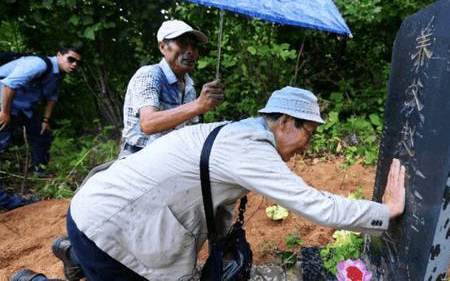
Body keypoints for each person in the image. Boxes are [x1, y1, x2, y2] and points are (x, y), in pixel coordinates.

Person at [13, 86, 406, 281]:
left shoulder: (231, 131)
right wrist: (385, 213)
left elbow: (207, 195)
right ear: (285, 121)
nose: (309, 144)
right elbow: (314, 205)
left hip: (93, 209)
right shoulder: (250, 151)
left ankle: (77, 254)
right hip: (109, 235)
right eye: (310, 133)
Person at [120, 20, 224, 157]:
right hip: (138, 158)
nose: (190, 51)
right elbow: (148, 124)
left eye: (194, 46)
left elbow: (184, 131)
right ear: (163, 47)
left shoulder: (188, 86)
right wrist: (199, 105)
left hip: (169, 159)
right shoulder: (150, 75)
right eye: (182, 43)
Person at [0, 46, 82, 175]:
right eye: (71, 59)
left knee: (42, 133)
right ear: (59, 55)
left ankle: (40, 173)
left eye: (78, 62)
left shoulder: (59, 74)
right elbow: (8, 84)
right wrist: (4, 113)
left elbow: (51, 98)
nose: (74, 64)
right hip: (4, 101)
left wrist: (45, 120)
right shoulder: (38, 64)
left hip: (23, 106)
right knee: (2, 138)